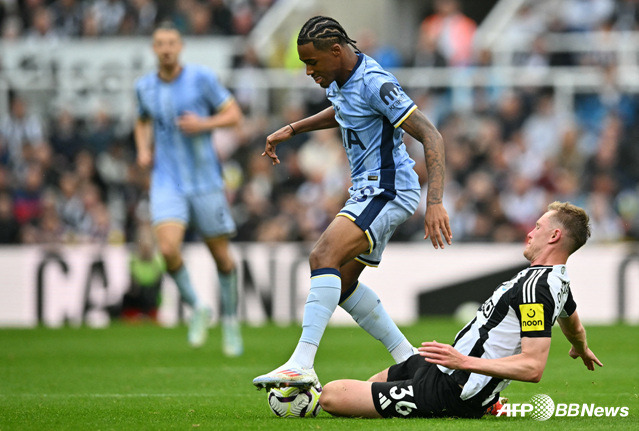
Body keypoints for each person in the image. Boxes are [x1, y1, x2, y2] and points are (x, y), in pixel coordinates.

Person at [253, 16, 452, 389]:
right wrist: (294, 128)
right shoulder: (342, 78)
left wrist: (436, 201)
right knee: (341, 283)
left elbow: (431, 134)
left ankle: (302, 363)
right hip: (367, 190)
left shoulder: (377, 83)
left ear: (335, 50)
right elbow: (345, 110)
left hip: (387, 189)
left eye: (312, 63)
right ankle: (409, 360)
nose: (309, 72)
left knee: (321, 256)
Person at [318, 201, 603, 419]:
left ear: (554, 236)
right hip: (444, 366)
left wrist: (463, 362)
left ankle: (485, 401)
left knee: (331, 396)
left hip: (454, 390)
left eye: (538, 227)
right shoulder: (554, 280)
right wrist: (580, 346)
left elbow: (532, 367)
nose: (530, 233)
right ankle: (486, 398)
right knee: (371, 384)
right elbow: (572, 321)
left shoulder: (536, 288)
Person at [134, 22, 244, 355]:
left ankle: (230, 323)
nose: (166, 48)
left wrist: (203, 124)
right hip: (167, 182)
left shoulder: (201, 78)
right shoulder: (144, 87)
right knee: (167, 250)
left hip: (206, 181)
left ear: (180, 46)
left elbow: (235, 115)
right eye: (160, 43)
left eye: (171, 43)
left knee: (222, 258)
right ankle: (198, 307)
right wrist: (142, 148)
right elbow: (142, 119)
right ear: (154, 49)